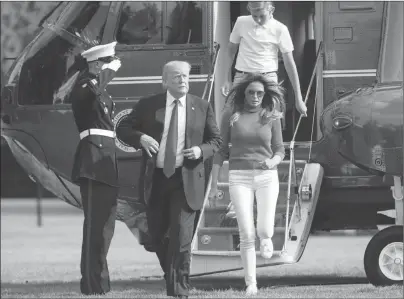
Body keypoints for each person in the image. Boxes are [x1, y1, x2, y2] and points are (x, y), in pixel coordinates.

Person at [117, 60, 222, 298]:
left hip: (186, 180)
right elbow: (123, 129)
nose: (182, 80)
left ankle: (179, 290)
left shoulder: (202, 106)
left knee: (181, 236)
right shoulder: (148, 106)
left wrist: (200, 151)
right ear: (164, 81)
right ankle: (172, 277)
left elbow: (216, 141)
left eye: (185, 76)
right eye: (176, 77)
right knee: (156, 236)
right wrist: (141, 137)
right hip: (156, 179)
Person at [210, 74, 286, 296]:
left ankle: (267, 237)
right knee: (246, 232)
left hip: (267, 177)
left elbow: (280, 149)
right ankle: (251, 283)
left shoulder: (271, 116)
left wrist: (272, 161)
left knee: (264, 229)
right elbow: (220, 151)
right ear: (244, 93)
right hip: (238, 176)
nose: (255, 96)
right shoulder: (232, 116)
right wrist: (214, 185)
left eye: (260, 93)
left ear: (265, 95)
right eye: (251, 92)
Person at [69, 41, 122, 295]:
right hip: (93, 159)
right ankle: (92, 284)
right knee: (96, 226)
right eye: (108, 61)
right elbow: (90, 92)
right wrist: (107, 72)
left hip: (106, 161)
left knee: (105, 226)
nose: (113, 65)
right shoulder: (83, 86)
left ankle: (99, 283)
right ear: (96, 64)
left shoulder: (100, 90)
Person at [221, 1, 307, 117]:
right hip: (242, 76)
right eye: (254, 16)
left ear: (271, 10)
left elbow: (289, 64)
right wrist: (226, 80)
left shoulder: (280, 29)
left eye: (262, 16)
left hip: (268, 78)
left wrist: (299, 99)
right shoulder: (241, 22)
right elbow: (231, 51)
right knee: (235, 118)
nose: (258, 20)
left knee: (270, 119)